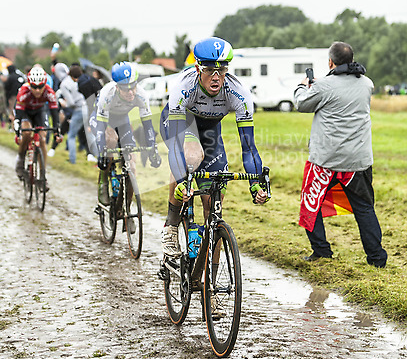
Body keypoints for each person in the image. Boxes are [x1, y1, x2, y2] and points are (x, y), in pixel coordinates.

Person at [160, 37, 269, 258]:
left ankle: (210, 280)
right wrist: (183, 183)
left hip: (210, 132)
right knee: (191, 155)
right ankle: (171, 226)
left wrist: (256, 183)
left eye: (222, 69)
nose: (217, 76)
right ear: (198, 68)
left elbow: (248, 147)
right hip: (183, 124)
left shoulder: (238, 93)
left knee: (214, 206)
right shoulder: (184, 88)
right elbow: (176, 148)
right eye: (210, 70)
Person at [294, 41, 387, 268]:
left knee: (311, 204)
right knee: (365, 209)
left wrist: (303, 85)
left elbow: (301, 104)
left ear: (330, 62)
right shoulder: (367, 84)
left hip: (325, 161)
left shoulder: (324, 86)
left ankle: (322, 251)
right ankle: (376, 259)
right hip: (358, 161)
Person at [90, 61, 161, 206]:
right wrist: (102, 153)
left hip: (122, 120)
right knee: (111, 140)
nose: (130, 93)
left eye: (132, 87)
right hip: (103, 120)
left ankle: (126, 207)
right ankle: (104, 180)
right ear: (117, 87)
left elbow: (147, 124)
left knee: (131, 167)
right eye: (125, 89)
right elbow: (101, 126)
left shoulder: (141, 94)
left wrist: (153, 148)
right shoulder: (107, 93)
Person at [14, 66, 63, 183]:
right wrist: (17, 126)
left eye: (40, 87)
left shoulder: (49, 92)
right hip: (25, 112)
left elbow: (54, 111)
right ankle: (21, 159)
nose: (37, 90)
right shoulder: (23, 91)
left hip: (39, 111)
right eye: (34, 87)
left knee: (42, 140)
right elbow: (19, 113)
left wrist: (57, 129)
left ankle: (42, 175)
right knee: (27, 133)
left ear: (44, 84)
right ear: (29, 84)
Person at [59, 64, 86, 164]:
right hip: (86, 107)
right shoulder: (77, 82)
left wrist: (63, 104)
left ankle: (72, 159)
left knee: (71, 136)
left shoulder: (65, 84)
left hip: (78, 110)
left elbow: (71, 103)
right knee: (90, 134)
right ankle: (95, 157)